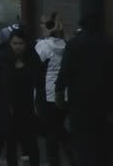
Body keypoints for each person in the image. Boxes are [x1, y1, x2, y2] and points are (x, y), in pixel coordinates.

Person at [56, 12, 113, 166]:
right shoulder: (110, 44)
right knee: (102, 139)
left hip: (80, 103)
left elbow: (65, 71)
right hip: (104, 102)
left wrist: (59, 93)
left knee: (82, 142)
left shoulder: (74, 44)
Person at [0, 27, 43, 166]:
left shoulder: (32, 57)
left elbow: (39, 79)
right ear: (10, 43)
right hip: (8, 107)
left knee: (31, 144)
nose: (17, 47)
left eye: (20, 43)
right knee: (11, 144)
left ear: (26, 44)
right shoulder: (3, 58)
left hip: (28, 107)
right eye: (14, 43)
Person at [35, 12, 73, 166]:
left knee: (51, 131)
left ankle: (56, 161)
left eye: (43, 24)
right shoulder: (67, 46)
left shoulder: (42, 46)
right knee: (57, 128)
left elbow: (35, 69)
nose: (41, 27)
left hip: (47, 95)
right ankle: (71, 156)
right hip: (64, 95)